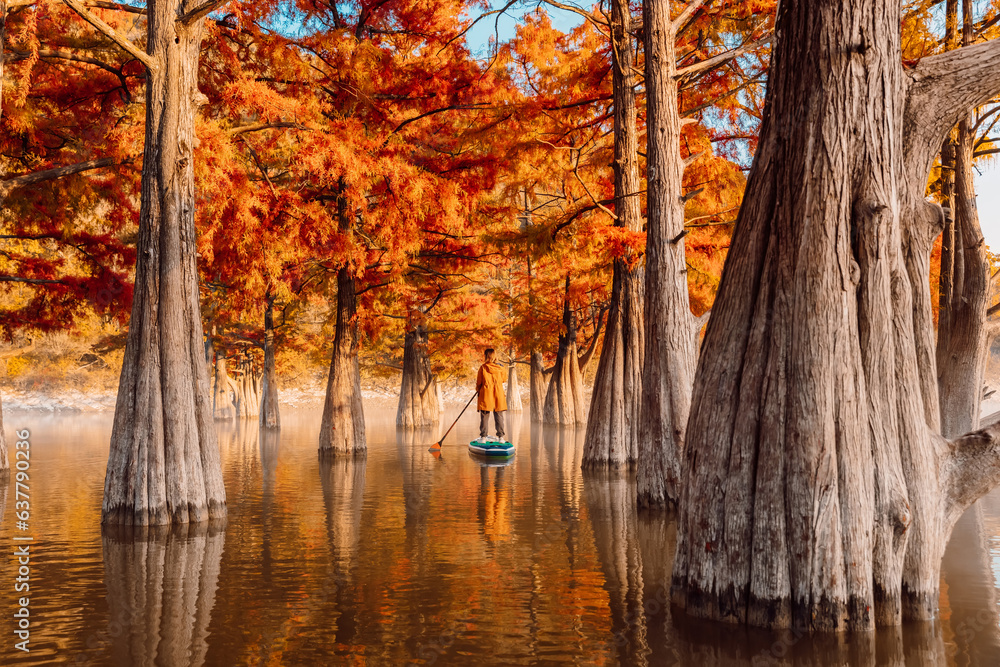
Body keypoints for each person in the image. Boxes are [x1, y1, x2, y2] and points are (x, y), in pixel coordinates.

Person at [475, 348, 507, 443]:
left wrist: (478, 390)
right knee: (499, 415)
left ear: (486, 356)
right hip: (498, 394)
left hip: (486, 394)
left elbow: (479, 382)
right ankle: (501, 437)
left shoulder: (483, 367)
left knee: (485, 415)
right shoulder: (501, 368)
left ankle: (483, 437)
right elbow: (504, 379)